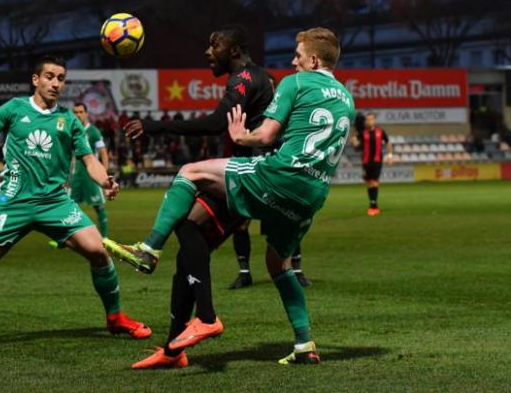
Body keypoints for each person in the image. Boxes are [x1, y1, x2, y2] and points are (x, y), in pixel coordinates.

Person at [112, 27, 353, 368]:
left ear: (313, 60)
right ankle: (304, 344)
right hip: (312, 195)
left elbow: (265, 134)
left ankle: (149, 250)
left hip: (277, 177)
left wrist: (243, 135)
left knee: (190, 173)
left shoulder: (293, 82)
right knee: (276, 264)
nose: (292, 61)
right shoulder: (347, 97)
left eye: (298, 56)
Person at [0, 55, 150, 351]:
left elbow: (89, 161)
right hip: (12, 203)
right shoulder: (14, 108)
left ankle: (115, 318)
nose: (55, 83)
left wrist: (106, 181)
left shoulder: (70, 121)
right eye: (49, 76)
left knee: (98, 252)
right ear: (35, 80)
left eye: (60, 78)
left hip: (55, 203)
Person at [121, 25, 282, 290]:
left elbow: (216, 123)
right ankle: (200, 318)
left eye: (214, 45)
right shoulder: (260, 77)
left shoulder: (243, 78)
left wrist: (154, 126)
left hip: (251, 175)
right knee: (191, 240)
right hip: (253, 174)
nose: (208, 52)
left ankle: (150, 248)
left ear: (233, 50)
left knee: (189, 176)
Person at [71, 102, 110, 238]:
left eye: (81, 112)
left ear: (86, 114)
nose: (78, 115)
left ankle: (104, 238)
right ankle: (69, 238)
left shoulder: (93, 132)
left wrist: (104, 175)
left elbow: (103, 153)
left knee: (98, 207)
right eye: (75, 112)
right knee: (69, 208)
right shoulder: (72, 131)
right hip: (76, 175)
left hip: (91, 176)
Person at [350, 112, 393, 215]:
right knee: (369, 182)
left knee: (375, 181)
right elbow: (356, 144)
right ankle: (372, 203)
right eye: (368, 119)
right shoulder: (362, 133)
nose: (369, 121)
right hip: (366, 161)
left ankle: (374, 206)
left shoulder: (380, 131)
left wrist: (390, 155)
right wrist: (352, 140)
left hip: (377, 160)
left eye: (371, 119)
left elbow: (387, 142)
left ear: (374, 120)